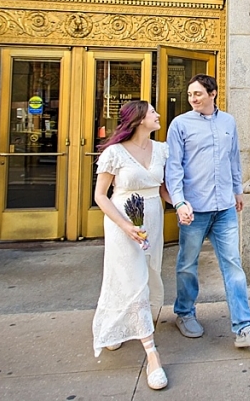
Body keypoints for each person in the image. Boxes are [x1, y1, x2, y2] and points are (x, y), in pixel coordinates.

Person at [165, 74, 250, 348]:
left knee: (233, 265)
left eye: (197, 93)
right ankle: (184, 313)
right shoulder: (180, 125)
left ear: (213, 94)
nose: (192, 98)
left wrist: (237, 190)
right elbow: (173, 167)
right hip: (194, 208)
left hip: (224, 208)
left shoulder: (228, 122)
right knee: (187, 264)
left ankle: (244, 328)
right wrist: (178, 202)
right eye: (189, 94)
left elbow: (233, 158)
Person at [92, 100, 170, 390]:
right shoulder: (114, 153)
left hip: (152, 219)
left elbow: (162, 189)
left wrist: (186, 205)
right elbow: (101, 195)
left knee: (147, 275)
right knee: (133, 279)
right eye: (153, 112)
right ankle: (152, 355)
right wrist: (125, 226)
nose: (158, 115)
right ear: (138, 119)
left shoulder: (161, 149)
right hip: (123, 221)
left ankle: (117, 326)